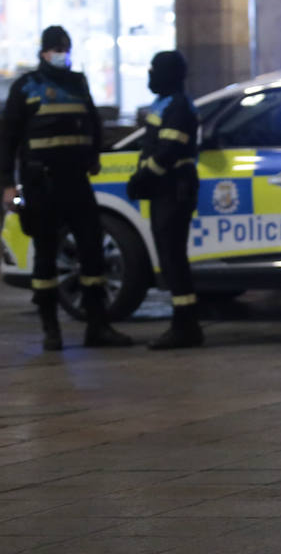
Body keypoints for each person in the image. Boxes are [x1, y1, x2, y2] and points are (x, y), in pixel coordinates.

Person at [0, 26, 133, 350]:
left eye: (66, 47)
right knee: (46, 256)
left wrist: (94, 155)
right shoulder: (26, 87)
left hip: (76, 180)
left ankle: (97, 326)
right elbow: (8, 140)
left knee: (92, 251)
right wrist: (7, 185)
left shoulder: (77, 83)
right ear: (44, 52)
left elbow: (92, 122)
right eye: (58, 47)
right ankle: (51, 330)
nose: (63, 52)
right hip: (41, 183)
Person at [128, 51, 204, 350]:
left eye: (154, 70)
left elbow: (168, 150)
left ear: (170, 74)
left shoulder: (178, 106)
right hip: (166, 190)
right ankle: (184, 323)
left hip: (174, 189)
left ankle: (185, 326)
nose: (150, 75)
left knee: (173, 259)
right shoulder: (165, 103)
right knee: (170, 259)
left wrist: (143, 177)